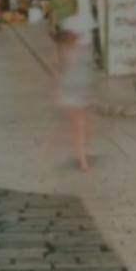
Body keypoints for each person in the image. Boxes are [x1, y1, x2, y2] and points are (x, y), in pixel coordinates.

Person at [53, 17, 98, 170]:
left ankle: (81, 151)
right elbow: (60, 71)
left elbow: (87, 71)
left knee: (86, 126)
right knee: (79, 126)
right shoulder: (65, 50)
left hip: (82, 90)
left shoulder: (82, 49)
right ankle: (82, 158)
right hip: (71, 91)